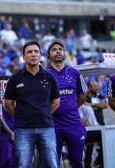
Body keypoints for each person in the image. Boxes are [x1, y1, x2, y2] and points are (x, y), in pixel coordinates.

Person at [4, 41, 60, 168]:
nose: (33, 54)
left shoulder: (50, 77)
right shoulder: (15, 78)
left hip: (46, 127)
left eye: (36, 52)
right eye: (29, 52)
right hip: (23, 129)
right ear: (23, 57)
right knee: (23, 165)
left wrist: (44, 113)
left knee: (52, 164)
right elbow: (8, 104)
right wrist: (20, 116)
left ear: (40, 55)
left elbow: (56, 102)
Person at [46, 40, 87, 168]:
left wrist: (71, 108)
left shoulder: (75, 73)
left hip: (73, 124)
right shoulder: (44, 75)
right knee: (52, 163)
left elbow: (82, 96)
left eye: (60, 49)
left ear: (64, 53)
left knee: (77, 162)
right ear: (49, 55)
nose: (58, 51)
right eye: (54, 49)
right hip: (52, 126)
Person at [86, 80, 108, 168]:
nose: (97, 87)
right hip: (91, 126)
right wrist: (96, 105)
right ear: (89, 87)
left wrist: (93, 105)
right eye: (94, 86)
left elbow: (105, 105)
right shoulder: (86, 96)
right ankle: (87, 165)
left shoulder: (99, 95)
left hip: (101, 124)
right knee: (89, 147)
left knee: (103, 144)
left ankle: (99, 163)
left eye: (97, 85)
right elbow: (85, 104)